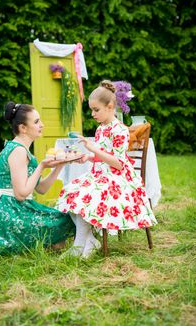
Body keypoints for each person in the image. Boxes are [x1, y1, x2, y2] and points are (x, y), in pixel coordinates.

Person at [55, 80, 157, 258]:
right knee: (71, 191)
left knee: (87, 194)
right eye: (91, 110)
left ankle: (80, 245)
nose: (93, 114)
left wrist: (93, 148)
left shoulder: (120, 130)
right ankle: (87, 240)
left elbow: (118, 163)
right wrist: (89, 156)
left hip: (119, 179)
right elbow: (103, 155)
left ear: (110, 106)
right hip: (101, 175)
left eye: (96, 110)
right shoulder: (101, 129)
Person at [0, 102, 75, 256]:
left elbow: (41, 189)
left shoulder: (22, 149)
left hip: (18, 207)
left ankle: (47, 245)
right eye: (36, 122)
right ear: (23, 128)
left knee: (64, 218)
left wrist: (60, 165)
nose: (42, 125)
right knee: (64, 221)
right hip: (11, 212)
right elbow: (21, 194)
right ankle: (39, 247)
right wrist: (42, 166)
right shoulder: (18, 151)